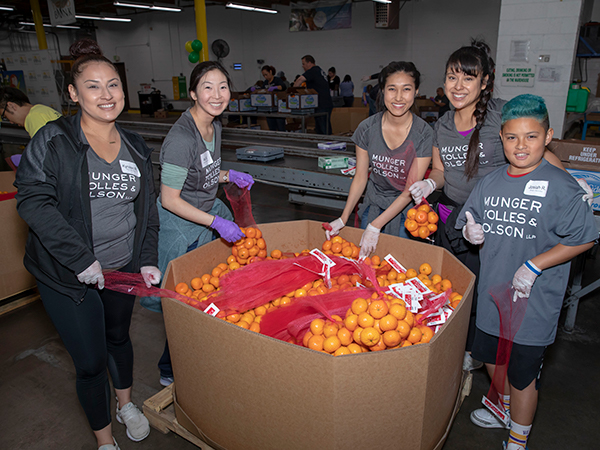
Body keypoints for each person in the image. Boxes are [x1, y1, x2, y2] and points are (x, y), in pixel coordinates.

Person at [14, 38, 160, 450]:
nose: (106, 94)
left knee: (119, 338)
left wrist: (145, 259)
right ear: (74, 94)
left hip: (121, 268)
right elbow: (33, 201)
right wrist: (80, 259)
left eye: (113, 84)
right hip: (67, 273)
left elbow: (146, 211)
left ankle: (126, 405)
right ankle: (104, 441)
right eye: (93, 86)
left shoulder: (135, 145)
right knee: (92, 361)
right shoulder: (54, 140)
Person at [407, 40, 572, 372]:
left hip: (495, 221)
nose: (458, 86)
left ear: (484, 82)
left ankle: (477, 352)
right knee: (455, 288)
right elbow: (441, 171)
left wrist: (567, 182)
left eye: (469, 78)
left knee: (488, 291)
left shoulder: (500, 113)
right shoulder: (441, 125)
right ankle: (455, 344)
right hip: (454, 219)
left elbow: (532, 147)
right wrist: (428, 182)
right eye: (452, 77)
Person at [455, 94, 598, 450]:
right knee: (490, 357)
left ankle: (517, 441)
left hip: (534, 303)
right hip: (492, 295)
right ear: (501, 137)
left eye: (531, 136)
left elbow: (585, 239)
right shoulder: (490, 183)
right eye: (512, 137)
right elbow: (470, 218)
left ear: (548, 136)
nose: (521, 146)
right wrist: (471, 231)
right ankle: (504, 410)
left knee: (522, 377)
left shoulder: (562, 187)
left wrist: (536, 264)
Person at [141, 61, 254, 387]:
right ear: (192, 93)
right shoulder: (180, 138)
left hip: (202, 216)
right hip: (180, 225)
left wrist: (227, 175)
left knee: (204, 293)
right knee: (181, 302)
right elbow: (170, 198)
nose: (217, 95)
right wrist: (218, 221)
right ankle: (169, 370)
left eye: (222, 86)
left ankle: (198, 357)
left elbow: (201, 173)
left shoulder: (213, 127)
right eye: (207, 87)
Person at [325, 61, 433, 258]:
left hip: (406, 212)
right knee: (368, 266)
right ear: (382, 90)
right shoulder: (367, 129)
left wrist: (375, 227)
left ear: (416, 91)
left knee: (399, 266)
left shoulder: (423, 134)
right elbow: (360, 177)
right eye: (392, 89)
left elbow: (409, 190)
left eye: (406, 89)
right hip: (374, 205)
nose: (399, 97)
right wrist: (343, 217)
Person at [293, 55, 333, 135]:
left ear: (309, 63)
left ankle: (327, 144)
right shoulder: (319, 70)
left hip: (321, 104)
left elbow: (300, 79)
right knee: (321, 127)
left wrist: (292, 91)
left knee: (323, 128)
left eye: (303, 64)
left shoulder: (313, 71)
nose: (303, 66)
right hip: (325, 103)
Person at [261, 65, 287, 132]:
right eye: (264, 75)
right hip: (269, 109)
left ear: (270, 72)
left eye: (266, 75)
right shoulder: (265, 83)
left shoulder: (277, 80)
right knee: (272, 128)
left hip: (278, 108)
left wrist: (275, 87)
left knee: (280, 127)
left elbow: (283, 87)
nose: (265, 77)